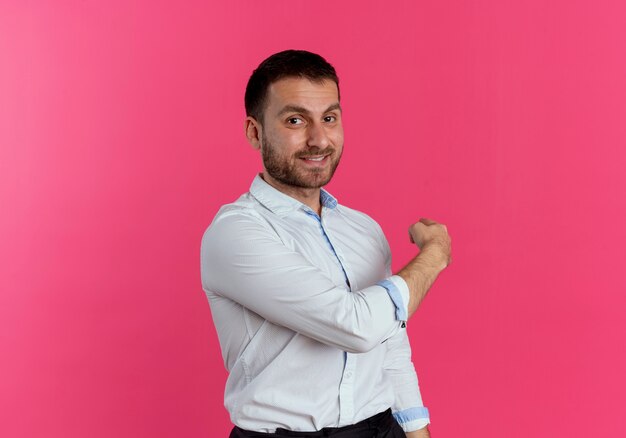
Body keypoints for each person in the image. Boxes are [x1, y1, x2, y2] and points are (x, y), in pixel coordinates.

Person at [200, 50, 451, 438]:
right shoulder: (235, 234)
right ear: (254, 132)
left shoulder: (363, 228)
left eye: (329, 118)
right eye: (295, 120)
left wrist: (416, 429)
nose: (319, 139)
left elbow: (390, 343)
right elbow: (355, 326)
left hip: (380, 428)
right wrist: (434, 255)